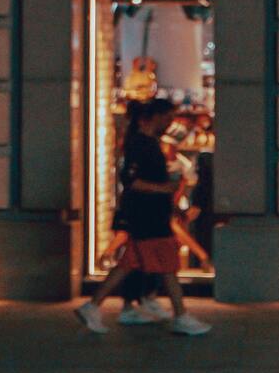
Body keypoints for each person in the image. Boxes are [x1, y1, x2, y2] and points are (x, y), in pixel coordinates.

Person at [75, 97, 210, 336]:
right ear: (155, 117)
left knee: (130, 262)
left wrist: (171, 203)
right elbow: (131, 180)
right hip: (149, 216)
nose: (170, 124)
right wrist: (165, 189)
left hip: (149, 213)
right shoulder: (141, 144)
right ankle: (180, 315)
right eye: (168, 118)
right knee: (167, 265)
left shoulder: (146, 142)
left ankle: (93, 306)